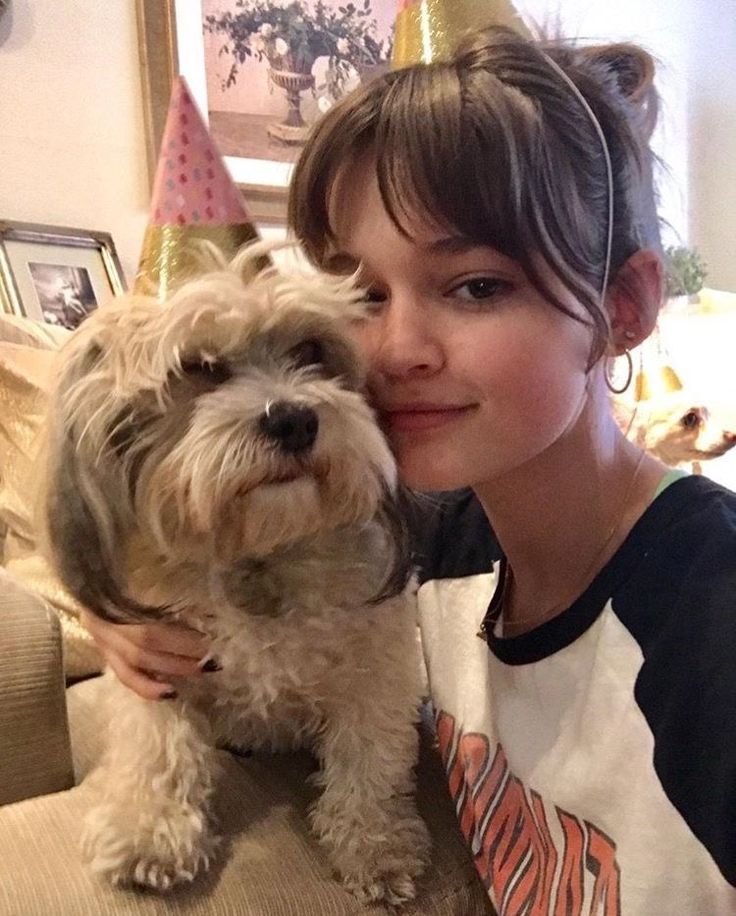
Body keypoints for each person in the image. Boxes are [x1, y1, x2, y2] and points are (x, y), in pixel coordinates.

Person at [81, 26, 736, 913]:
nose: (393, 351)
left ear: (622, 307)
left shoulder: (707, 630)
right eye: (361, 295)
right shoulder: (417, 533)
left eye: (474, 286)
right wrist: (118, 618)